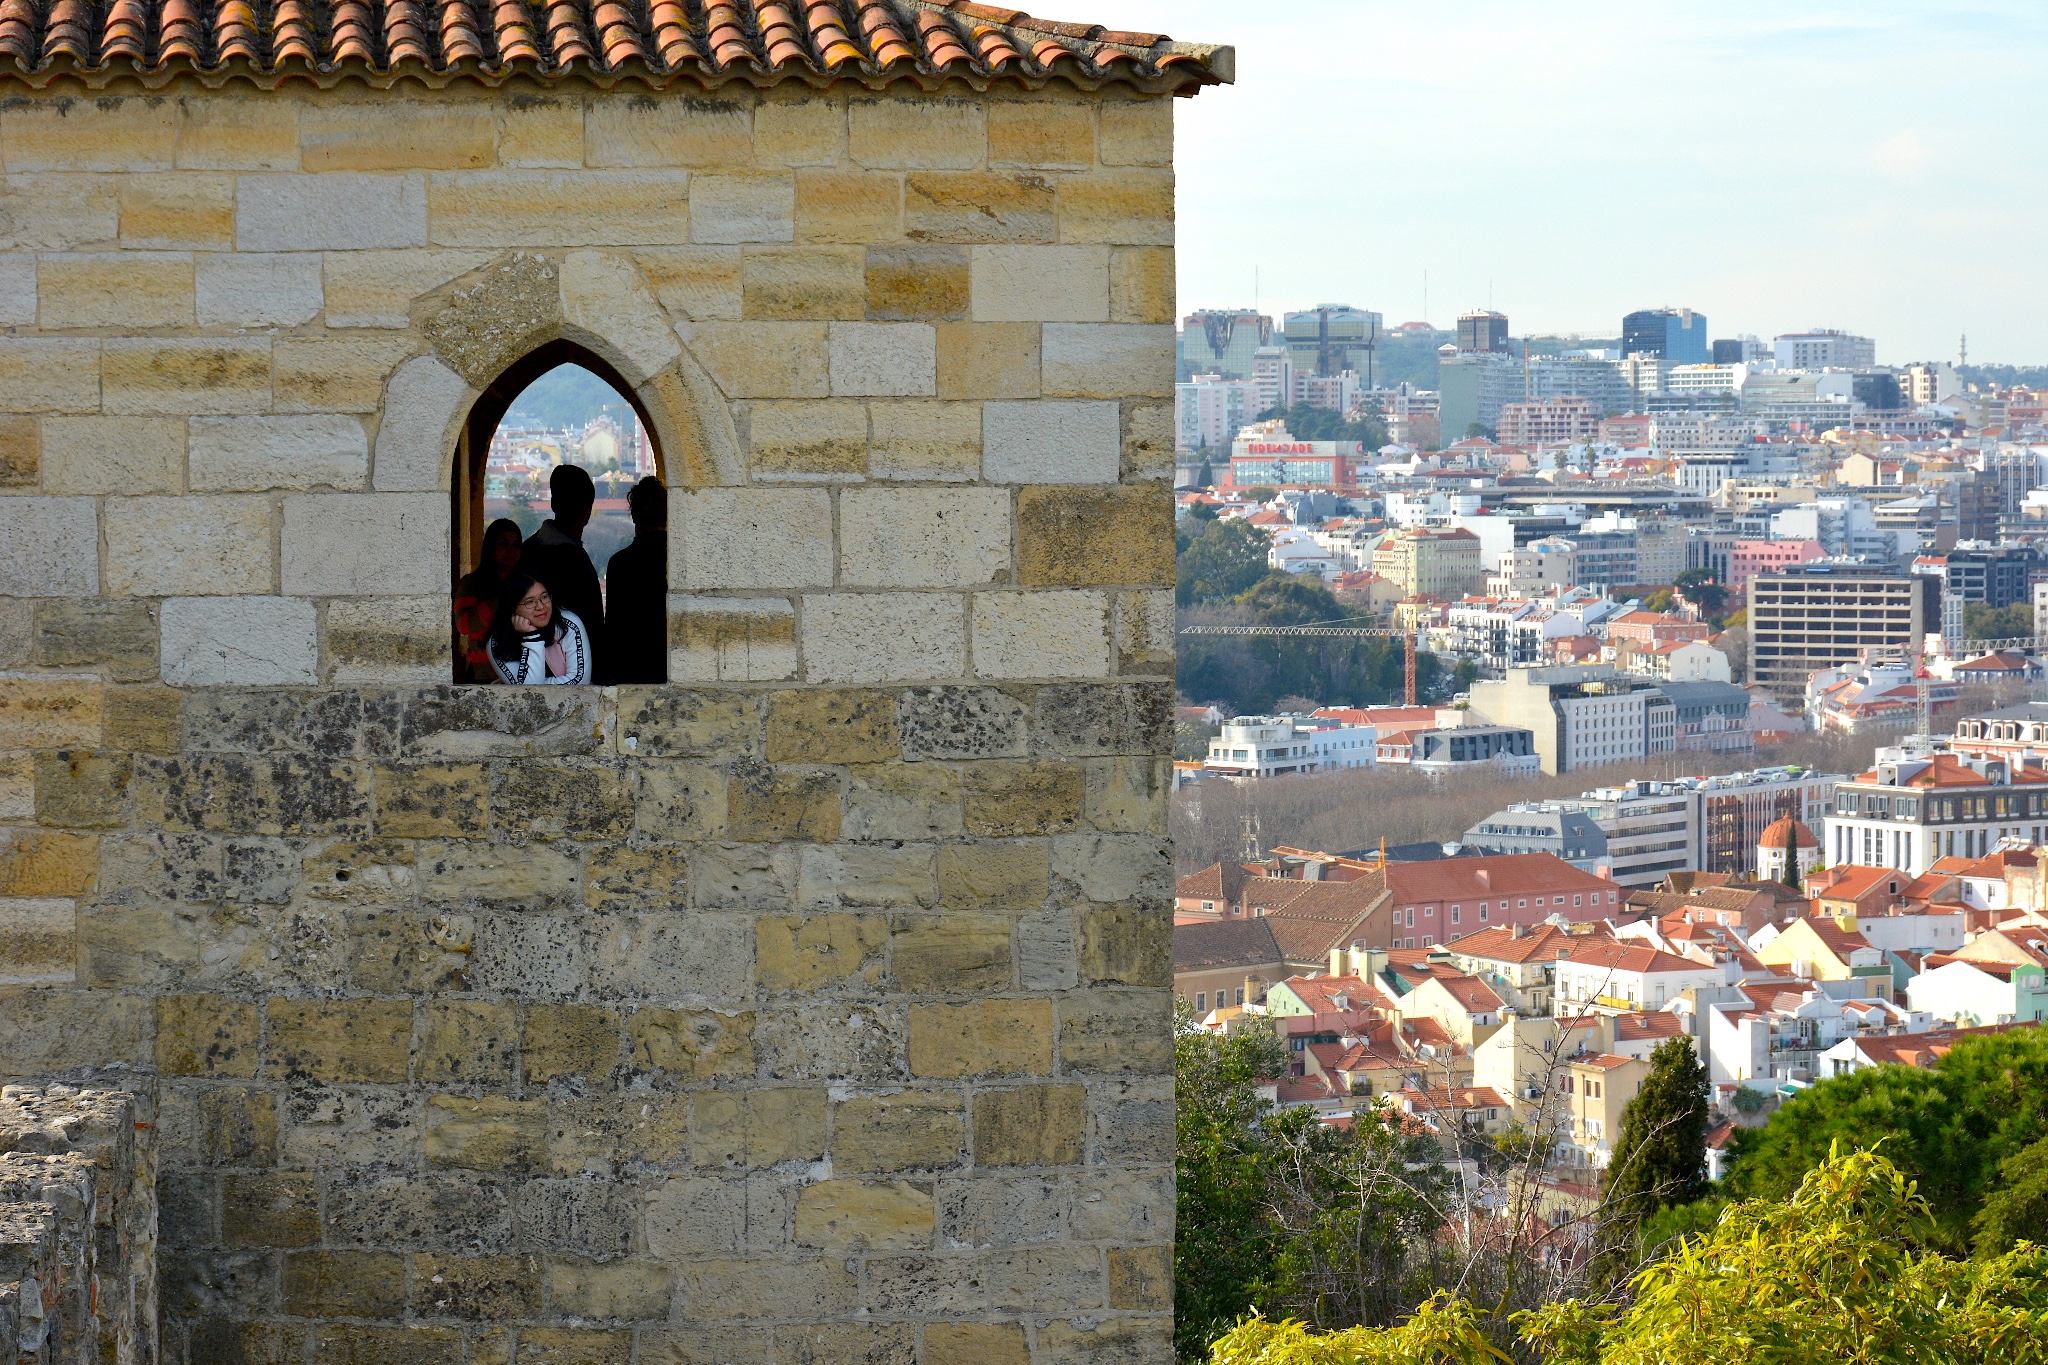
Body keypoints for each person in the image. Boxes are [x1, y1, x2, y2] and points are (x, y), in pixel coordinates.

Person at [522, 464, 606, 682]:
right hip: (575, 670)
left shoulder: (529, 549)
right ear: (588, 510)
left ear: (553, 503)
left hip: (534, 666)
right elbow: (591, 623)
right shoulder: (572, 558)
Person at [605, 476, 668, 684]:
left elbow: (614, 629)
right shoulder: (679, 559)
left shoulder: (620, 564)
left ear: (634, 516)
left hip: (631, 672)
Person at [452, 518, 524, 683]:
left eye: (516, 544)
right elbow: (464, 625)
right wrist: (501, 600)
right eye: (503, 544)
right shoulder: (471, 584)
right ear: (491, 547)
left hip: (520, 674)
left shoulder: (528, 585)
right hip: (483, 676)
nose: (511, 550)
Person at [487, 572, 592, 684]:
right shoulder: (497, 642)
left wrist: (539, 684)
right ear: (512, 607)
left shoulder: (568, 624)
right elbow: (528, 692)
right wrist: (531, 638)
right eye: (530, 602)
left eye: (544, 597)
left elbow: (580, 683)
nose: (541, 606)